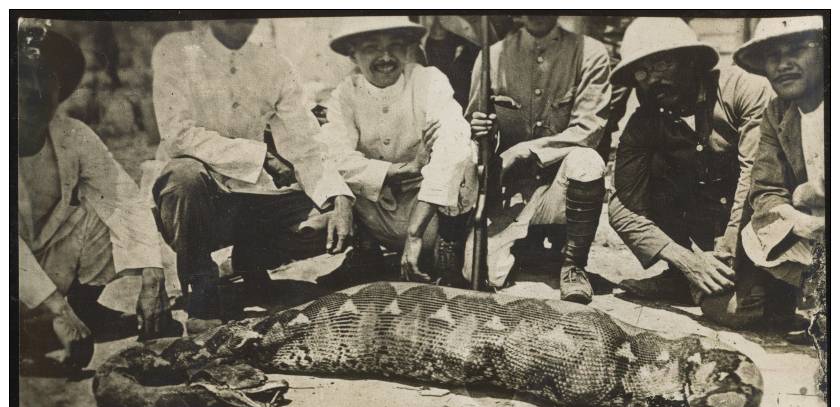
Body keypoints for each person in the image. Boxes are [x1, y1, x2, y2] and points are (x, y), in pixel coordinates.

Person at [146, 19, 355, 332]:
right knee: (184, 176)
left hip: (254, 197)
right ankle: (201, 285)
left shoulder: (272, 62)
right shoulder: (176, 50)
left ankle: (250, 262)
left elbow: (305, 145)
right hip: (197, 200)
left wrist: (339, 198)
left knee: (329, 219)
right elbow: (177, 135)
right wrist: (262, 157)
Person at [18, 24, 175, 369]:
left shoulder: (73, 134)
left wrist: (153, 276)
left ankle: (81, 314)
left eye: (45, 77)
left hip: (42, 262)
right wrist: (55, 306)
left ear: (60, 86)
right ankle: (43, 326)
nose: (34, 90)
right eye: (20, 77)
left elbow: (123, 198)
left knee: (99, 212)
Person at [607, 17, 775, 326]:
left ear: (692, 61)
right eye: (642, 72)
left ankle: (776, 284)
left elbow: (756, 180)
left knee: (732, 311)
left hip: (757, 223)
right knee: (648, 176)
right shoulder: (644, 122)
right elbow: (621, 207)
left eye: (664, 65)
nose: (652, 80)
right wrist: (687, 262)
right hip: (702, 233)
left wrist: (724, 258)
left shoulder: (743, 89)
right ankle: (680, 279)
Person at [319, 16, 476, 286]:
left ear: (408, 48)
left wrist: (415, 234)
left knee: (464, 153)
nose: (385, 57)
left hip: (431, 214)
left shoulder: (429, 81)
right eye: (371, 47)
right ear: (353, 55)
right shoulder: (346, 93)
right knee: (327, 166)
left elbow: (453, 146)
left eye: (395, 46)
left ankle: (447, 253)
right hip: (377, 212)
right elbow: (335, 153)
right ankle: (366, 253)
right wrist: (400, 170)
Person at [467, 15, 612, 303]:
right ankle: (524, 247)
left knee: (588, 161)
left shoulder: (590, 53)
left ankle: (573, 266)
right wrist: (483, 130)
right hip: (509, 192)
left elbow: (589, 129)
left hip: (559, 187)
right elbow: (472, 131)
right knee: (481, 273)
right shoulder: (491, 56)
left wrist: (525, 150)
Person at [715, 16, 825, 331]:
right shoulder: (778, 113)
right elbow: (765, 187)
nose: (783, 64)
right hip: (814, 225)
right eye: (774, 56)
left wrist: (806, 193)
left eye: (797, 50)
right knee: (758, 230)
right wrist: (798, 217)